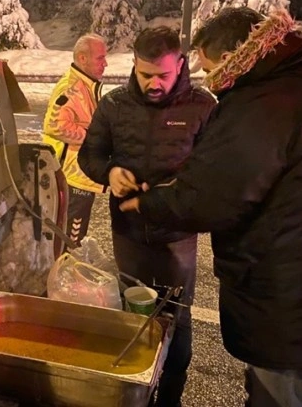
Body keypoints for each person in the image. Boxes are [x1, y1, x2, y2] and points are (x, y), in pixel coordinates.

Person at [119, 8, 302, 407]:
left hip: (291, 292)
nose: (212, 82)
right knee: (288, 388)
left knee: (278, 395)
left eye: (211, 69)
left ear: (231, 58)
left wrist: (148, 201)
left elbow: (212, 195)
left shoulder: (265, 102)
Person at [78, 27, 216, 407]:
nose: (154, 84)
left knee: (177, 316)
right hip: (128, 231)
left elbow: (215, 172)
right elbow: (88, 155)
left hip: (177, 234)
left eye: (164, 75)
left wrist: (183, 189)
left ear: (181, 66)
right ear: (134, 66)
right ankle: (135, 392)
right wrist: (108, 172)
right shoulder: (114, 105)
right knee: (132, 313)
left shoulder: (203, 106)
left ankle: (171, 395)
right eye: (145, 75)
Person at [42, 33, 108, 248]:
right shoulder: (72, 89)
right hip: (72, 176)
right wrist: (93, 138)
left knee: (74, 236)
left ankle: (68, 272)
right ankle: (65, 276)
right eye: (100, 58)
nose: (105, 64)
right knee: (70, 240)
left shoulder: (86, 85)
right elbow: (54, 126)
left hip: (81, 173)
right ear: (82, 58)